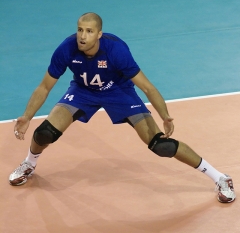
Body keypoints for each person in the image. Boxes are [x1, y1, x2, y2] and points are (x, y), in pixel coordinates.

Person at [9, 12, 235, 203]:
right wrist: (28, 116)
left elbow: (147, 87)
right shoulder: (66, 49)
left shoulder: (116, 51)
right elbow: (44, 87)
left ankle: (219, 177)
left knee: (160, 146)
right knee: (44, 132)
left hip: (118, 91)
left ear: (99, 34)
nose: (82, 36)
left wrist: (164, 116)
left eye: (88, 31)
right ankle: (29, 163)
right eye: (80, 30)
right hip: (83, 91)